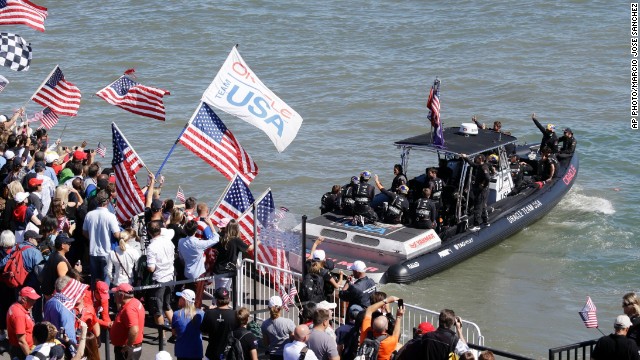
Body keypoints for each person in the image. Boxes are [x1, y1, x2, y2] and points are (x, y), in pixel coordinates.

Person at [83, 190, 123, 287]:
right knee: (106, 281)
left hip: (93, 251)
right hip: (107, 252)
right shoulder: (110, 216)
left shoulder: (89, 215)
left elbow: (84, 232)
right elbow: (117, 234)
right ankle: (106, 300)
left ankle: (95, 299)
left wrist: (92, 238)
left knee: (94, 280)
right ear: (108, 201)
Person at [395, 309, 469, 360]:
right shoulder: (454, 340)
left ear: (439, 320)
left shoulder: (427, 336)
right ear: (452, 323)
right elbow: (467, 354)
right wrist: (459, 330)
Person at [146, 220, 175, 343]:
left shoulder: (152, 247)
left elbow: (151, 267)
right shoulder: (168, 240)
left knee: (157, 310)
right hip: (170, 277)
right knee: (167, 306)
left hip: (159, 280)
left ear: (148, 232)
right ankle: (176, 332)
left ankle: (162, 336)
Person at [214, 219, 256, 290]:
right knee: (223, 294)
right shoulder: (236, 240)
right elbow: (249, 248)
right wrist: (259, 241)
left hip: (218, 269)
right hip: (227, 271)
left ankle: (216, 301)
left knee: (218, 293)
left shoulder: (221, 237)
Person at [358, 295, 404, 360]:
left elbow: (369, 310)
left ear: (372, 326)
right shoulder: (389, 342)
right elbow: (396, 333)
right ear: (386, 328)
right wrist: (399, 316)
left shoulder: (366, 332)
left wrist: (386, 300)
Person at [110, 283, 145, 360]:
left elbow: (134, 330)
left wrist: (128, 345)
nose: (114, 295)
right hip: (131, 348)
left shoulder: (129, 309)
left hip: (127, 350)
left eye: (116, 293)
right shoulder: (135, 302)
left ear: (121, 295)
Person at [201, 287, 238, 360]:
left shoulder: (209, 313)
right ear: (229, 299)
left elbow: (203, 331)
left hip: (212, 353)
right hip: (229, 354)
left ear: (216, 300)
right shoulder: (235, 315)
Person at [7, 287, 40, 360]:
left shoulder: (17, 306)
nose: (34, 302)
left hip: (23, 349)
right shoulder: (19, 315)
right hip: (22, 352)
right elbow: (21, 341)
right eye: (32, 299)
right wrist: (30, 357)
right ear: (23, 299)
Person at [171, 289, 205, 360]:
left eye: (180, 298)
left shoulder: (176, 314)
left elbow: (174, 333)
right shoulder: (201, 313)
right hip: (196, 351)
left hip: (182, 351)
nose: (179, 299)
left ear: (184, 300)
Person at [461, 153, 491, 231]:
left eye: (477, 158)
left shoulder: (484, 167)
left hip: (481, 191)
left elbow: (488, 178)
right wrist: (465, 157)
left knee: (477, 207)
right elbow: (472, 164)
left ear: (480, 159)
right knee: (483, 206)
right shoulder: (479, 166)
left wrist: (483, 185)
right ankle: (486, 221)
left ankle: (476, 224)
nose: (475, 159)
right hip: (479, 189)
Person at [261, 295, 296, 360]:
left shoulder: (264, 324)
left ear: (269, 308)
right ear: (281, 307)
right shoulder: (288, 322)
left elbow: (266, 343)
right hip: (287, 354)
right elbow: (293, 339)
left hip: (273, 355)